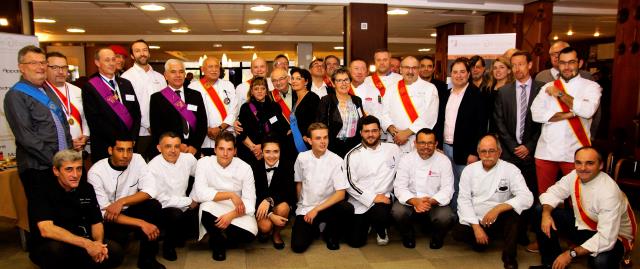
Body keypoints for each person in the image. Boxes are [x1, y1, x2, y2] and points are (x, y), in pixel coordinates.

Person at [531, 147, 636, 269]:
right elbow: (553, 193)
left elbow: (606, 238)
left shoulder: (609, 192)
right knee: (540, 210)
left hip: (615, 236)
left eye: (590, 163)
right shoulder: (574, 175)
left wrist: (571, 254)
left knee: (600, 262)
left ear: (601, 165)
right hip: (585, 226)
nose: (583, 168)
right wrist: (546, 214)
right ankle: (551, 263)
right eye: (578, 162)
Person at [28, 149, 124, 269]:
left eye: (78, 169)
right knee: (55, 251)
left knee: (115, 252)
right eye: (69, 169)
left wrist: (98, 244)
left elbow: (96, 222)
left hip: (83, 240)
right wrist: (87, 244)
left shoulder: (87, 188)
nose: (75, 174)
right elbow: (47, 229)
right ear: (56, 171)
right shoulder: (41, 190)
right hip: (56, 243)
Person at [453, 134, 533, 269]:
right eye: (483, 151)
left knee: (514, 216)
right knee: (458, 233)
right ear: (478, 153)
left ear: (499, 152)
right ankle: (485, 237)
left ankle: (509, 257)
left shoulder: (510, 169)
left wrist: (499, 208)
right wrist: (476, 227)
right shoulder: (469, 170)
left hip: (500, 217)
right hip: (477, 218)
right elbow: (464, 200)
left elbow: (527, 197)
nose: (487, 155)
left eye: (492, 151)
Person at [530, 47, 602, 195]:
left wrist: (560, 94)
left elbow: (588, 111)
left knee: (578, 197)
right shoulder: (547, 87)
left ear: (580, 63)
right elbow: (536, 114)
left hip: (576, 153)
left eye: (571, 62)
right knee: (546, 197)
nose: (567, 67)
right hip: (546, 152)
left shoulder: (591, 87)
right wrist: (571, 114)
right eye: (562, 63)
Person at [87, 136, 164, 269]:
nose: (126, 155)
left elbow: (151, 190)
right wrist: (142, 223)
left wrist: (121, 202)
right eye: (120, 150)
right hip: (109, 218)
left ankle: (147, 260)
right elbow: (103, 212)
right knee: (117, 248)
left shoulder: (138, 160)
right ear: (110, 150)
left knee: (154, 206)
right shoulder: (96, 172)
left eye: (129, 150)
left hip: (128, 208)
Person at [4, 45, 72, 198]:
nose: (40, 67)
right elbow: (27, 138)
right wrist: (57, 162)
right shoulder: (15, 95)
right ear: (21, 67)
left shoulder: (47, 91)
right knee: (44, 217)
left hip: (60, 164)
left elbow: (63, 125)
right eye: (34, 63)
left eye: (43, 62)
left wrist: (69, 155)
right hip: (38, 168)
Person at [493, 50, 544, 251]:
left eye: (521, 64)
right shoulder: (504, 92)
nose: (517, 69)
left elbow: (544, 123)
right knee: (509, 194)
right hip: (509, 153)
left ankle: (524, 232)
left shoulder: (543, 90)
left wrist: (528, 147)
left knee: (530, 195)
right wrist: (514, 147)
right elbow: (499, 122)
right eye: (513, 65)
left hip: (532, 153)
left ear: (530, 65)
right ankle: (510, 232)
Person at [193, 132, 257, 261]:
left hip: (236, 208)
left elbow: (250, 201)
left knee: (250, 234)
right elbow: (200, 193)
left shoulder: (245, 168)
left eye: (229, 149)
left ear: (235, 151)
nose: (225, 153)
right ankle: (218, 243)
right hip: (213, 204)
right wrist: (230, 195)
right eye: (221, 149)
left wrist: (232, 215)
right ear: (215, 150)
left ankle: (220, 236)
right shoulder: (203, 163)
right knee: (205, 209)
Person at [291, 123, 354, 253]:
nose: (323, 142)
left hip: (327, 207)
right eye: (318, 138)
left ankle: (330, 235)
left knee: (347, 208)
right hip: (307, 208)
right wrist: (300, 206)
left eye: (325, 137)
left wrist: (317, 209)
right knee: (298, 247)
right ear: (309, 140)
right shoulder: (302, 158)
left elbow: (341, 194)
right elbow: (299, 183)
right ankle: (314, 228)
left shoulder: (336, 160)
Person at [435, 57, 486, 210]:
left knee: (465, 188)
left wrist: (474, 152)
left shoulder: (477, 95)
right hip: (444, 148)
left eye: (462, 71)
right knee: (448, 185)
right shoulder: (445, 94)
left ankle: (464, 220)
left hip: (466, 152)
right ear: (451, 74)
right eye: (455, 72)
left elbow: (481, 127)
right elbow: (438, 121)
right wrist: (438, 144)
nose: (459, 75)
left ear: (469, 74)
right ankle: (451, 216)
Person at [392, 128, 455, 250]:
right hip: (411, 201)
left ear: (436, 144)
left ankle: (437, 237)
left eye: (430, 143)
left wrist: (430, 201)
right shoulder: (406, 160)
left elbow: (448, 189)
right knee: (398, 211)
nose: (426, 146)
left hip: (434, 202)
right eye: (422, 143)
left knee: (446, 216)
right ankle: (408, 235)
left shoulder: (444, 161)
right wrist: (415, 201)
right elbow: (400, 187)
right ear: (415, 144)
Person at [344, 115, 401, 248]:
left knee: (380, 214)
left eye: (374, 131)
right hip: (361, 201)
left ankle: (381, 230)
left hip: (384, 199)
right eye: (367, 131)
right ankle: (368, 223)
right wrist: (373, 197)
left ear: (380, 131)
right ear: (361, 133)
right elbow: (349, 184)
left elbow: (408, 163)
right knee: (355, 242)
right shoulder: (352, 155)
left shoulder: (393, 149)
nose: (371, 135)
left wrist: (434, 153)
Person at [82, 47, 141, 163]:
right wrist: (118, 141)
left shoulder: (126, 84)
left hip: (129, 145)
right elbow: (94, 120)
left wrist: (132, 138)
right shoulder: (90, 86)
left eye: (113, 60)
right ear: (97, 63)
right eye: (107, 60)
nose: (111, 63)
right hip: (105, 146)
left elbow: (136, 113)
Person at [147, 132, 199, 261]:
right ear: (159, 148)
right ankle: (168, 246)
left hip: (185, 204)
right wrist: (188, 201)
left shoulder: (188, 159)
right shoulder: (152, 167)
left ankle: (180, 235)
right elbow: (161, 199)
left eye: (176, 146)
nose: (173, 150)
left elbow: (201, 177)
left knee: (204, 213)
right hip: (164, 208)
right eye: (168, 146)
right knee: (175, 215)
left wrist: (195, 197)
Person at [381, 56, 439, 155]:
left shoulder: (430, 88)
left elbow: (430, 116)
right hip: (394, 140)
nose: (410, 71)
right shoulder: (391, 88)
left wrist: (406, 133)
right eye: (407, 67)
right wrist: (395, 133)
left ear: (419, 69)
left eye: (414, 68)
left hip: (417, 141)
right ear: (401, 69)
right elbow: (384, 113)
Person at [149, 59, 207, 156]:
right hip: (170, 150)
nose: (178, 75)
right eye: (173, 72)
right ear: (166, 75)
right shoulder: (157, 98)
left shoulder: (195, 95)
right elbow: (157, 128)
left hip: (192, 150)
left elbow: (202, 123)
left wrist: (195, 146)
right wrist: (177, 146)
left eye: (181, 72)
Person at [121, 39, 167, 160]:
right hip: (139, 133)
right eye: (137, 51)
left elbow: (165, 104)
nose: (142, 53)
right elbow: (127, 108)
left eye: (145, 50)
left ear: (149, 53)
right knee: (139, 166)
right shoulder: (126, 78)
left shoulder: (160, 77)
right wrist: (147, 124)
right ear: (132, 55)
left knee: (158, 165)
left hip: (159, 132)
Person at [250, 137, 296, 249]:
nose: (272, 156)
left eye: (275, 151)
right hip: (259, 204)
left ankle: (276, 234)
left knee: (284, 208)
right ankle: (265, 231)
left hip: (278, 202)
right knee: (265, 227)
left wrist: (269, 200)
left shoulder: (288, 165)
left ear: (280, 151)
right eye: (267, 152)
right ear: (262, 152)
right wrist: (270, 215)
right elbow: (252, 194)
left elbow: (288, 192)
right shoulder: (254, 167)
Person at [236, 77, 289, 164]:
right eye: (256, 89)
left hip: (270, 151)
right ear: (252, 92)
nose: (259, 91)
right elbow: (241, 132)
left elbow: (279, 131)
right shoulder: (245, 107)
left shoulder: (275, 107)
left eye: (263, 88)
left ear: (266, 91)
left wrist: (263, 147)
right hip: (249, 151)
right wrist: (254, 148)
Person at [191, 57, 237, 156]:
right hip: (204, 138)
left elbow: (234, 110)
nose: (214, 69)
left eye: (217, 66)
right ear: (202, 69)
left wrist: (220, 128)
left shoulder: (228, 85)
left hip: (226, 135)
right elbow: (190, 113)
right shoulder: (193, 87)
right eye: (210, 67)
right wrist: (205, 129)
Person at [45, 52, 89, 153]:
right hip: (55, 150)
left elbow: (86, 116)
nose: (61, 71)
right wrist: (68, 143)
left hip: (79, 147)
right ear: (45, 68)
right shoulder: (41, 92)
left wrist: (85, 136)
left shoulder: (77, 90)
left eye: (64, 67)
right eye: (55, 67)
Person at [317, 67, 366, 157]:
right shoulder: (326, 100)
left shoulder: (357, 100)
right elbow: (320, 124)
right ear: (333, 83)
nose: (344, 83)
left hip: (355, 145)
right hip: (333, 146)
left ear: (350, 81)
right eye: (339, 80)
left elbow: (362, 121)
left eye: (346, 80)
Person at [360, 50, 402, 129]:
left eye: (385, 60)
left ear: (390, 61)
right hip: (372, 128)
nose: (382, 63)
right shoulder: (366, 80)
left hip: (395, 127)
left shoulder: (400, 80)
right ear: (375, 62)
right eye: (378, 60)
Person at [269, 68, 297, 163]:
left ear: (288, 78)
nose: (278, 83)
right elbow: (270, 120)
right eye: (274, 80)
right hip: (281, 141)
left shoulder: (298, 92)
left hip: (300, 138)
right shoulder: (269, 97)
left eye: (281, 79)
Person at [289, 67, 320, 153]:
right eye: (292, 78)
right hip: (295, 140)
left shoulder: (312, 97)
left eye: (298, 78)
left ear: (306, 81)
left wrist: (308, 135)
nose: (294, 81)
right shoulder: (296, 99)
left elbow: (316, 120)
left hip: (307, 140)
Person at [484, 56, 514, 132]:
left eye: (501, 67)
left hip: (507, 132)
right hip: (489, 130)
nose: (498, 70)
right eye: (495, 68)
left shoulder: (513, 90)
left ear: (509, 70)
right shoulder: (487, 89)